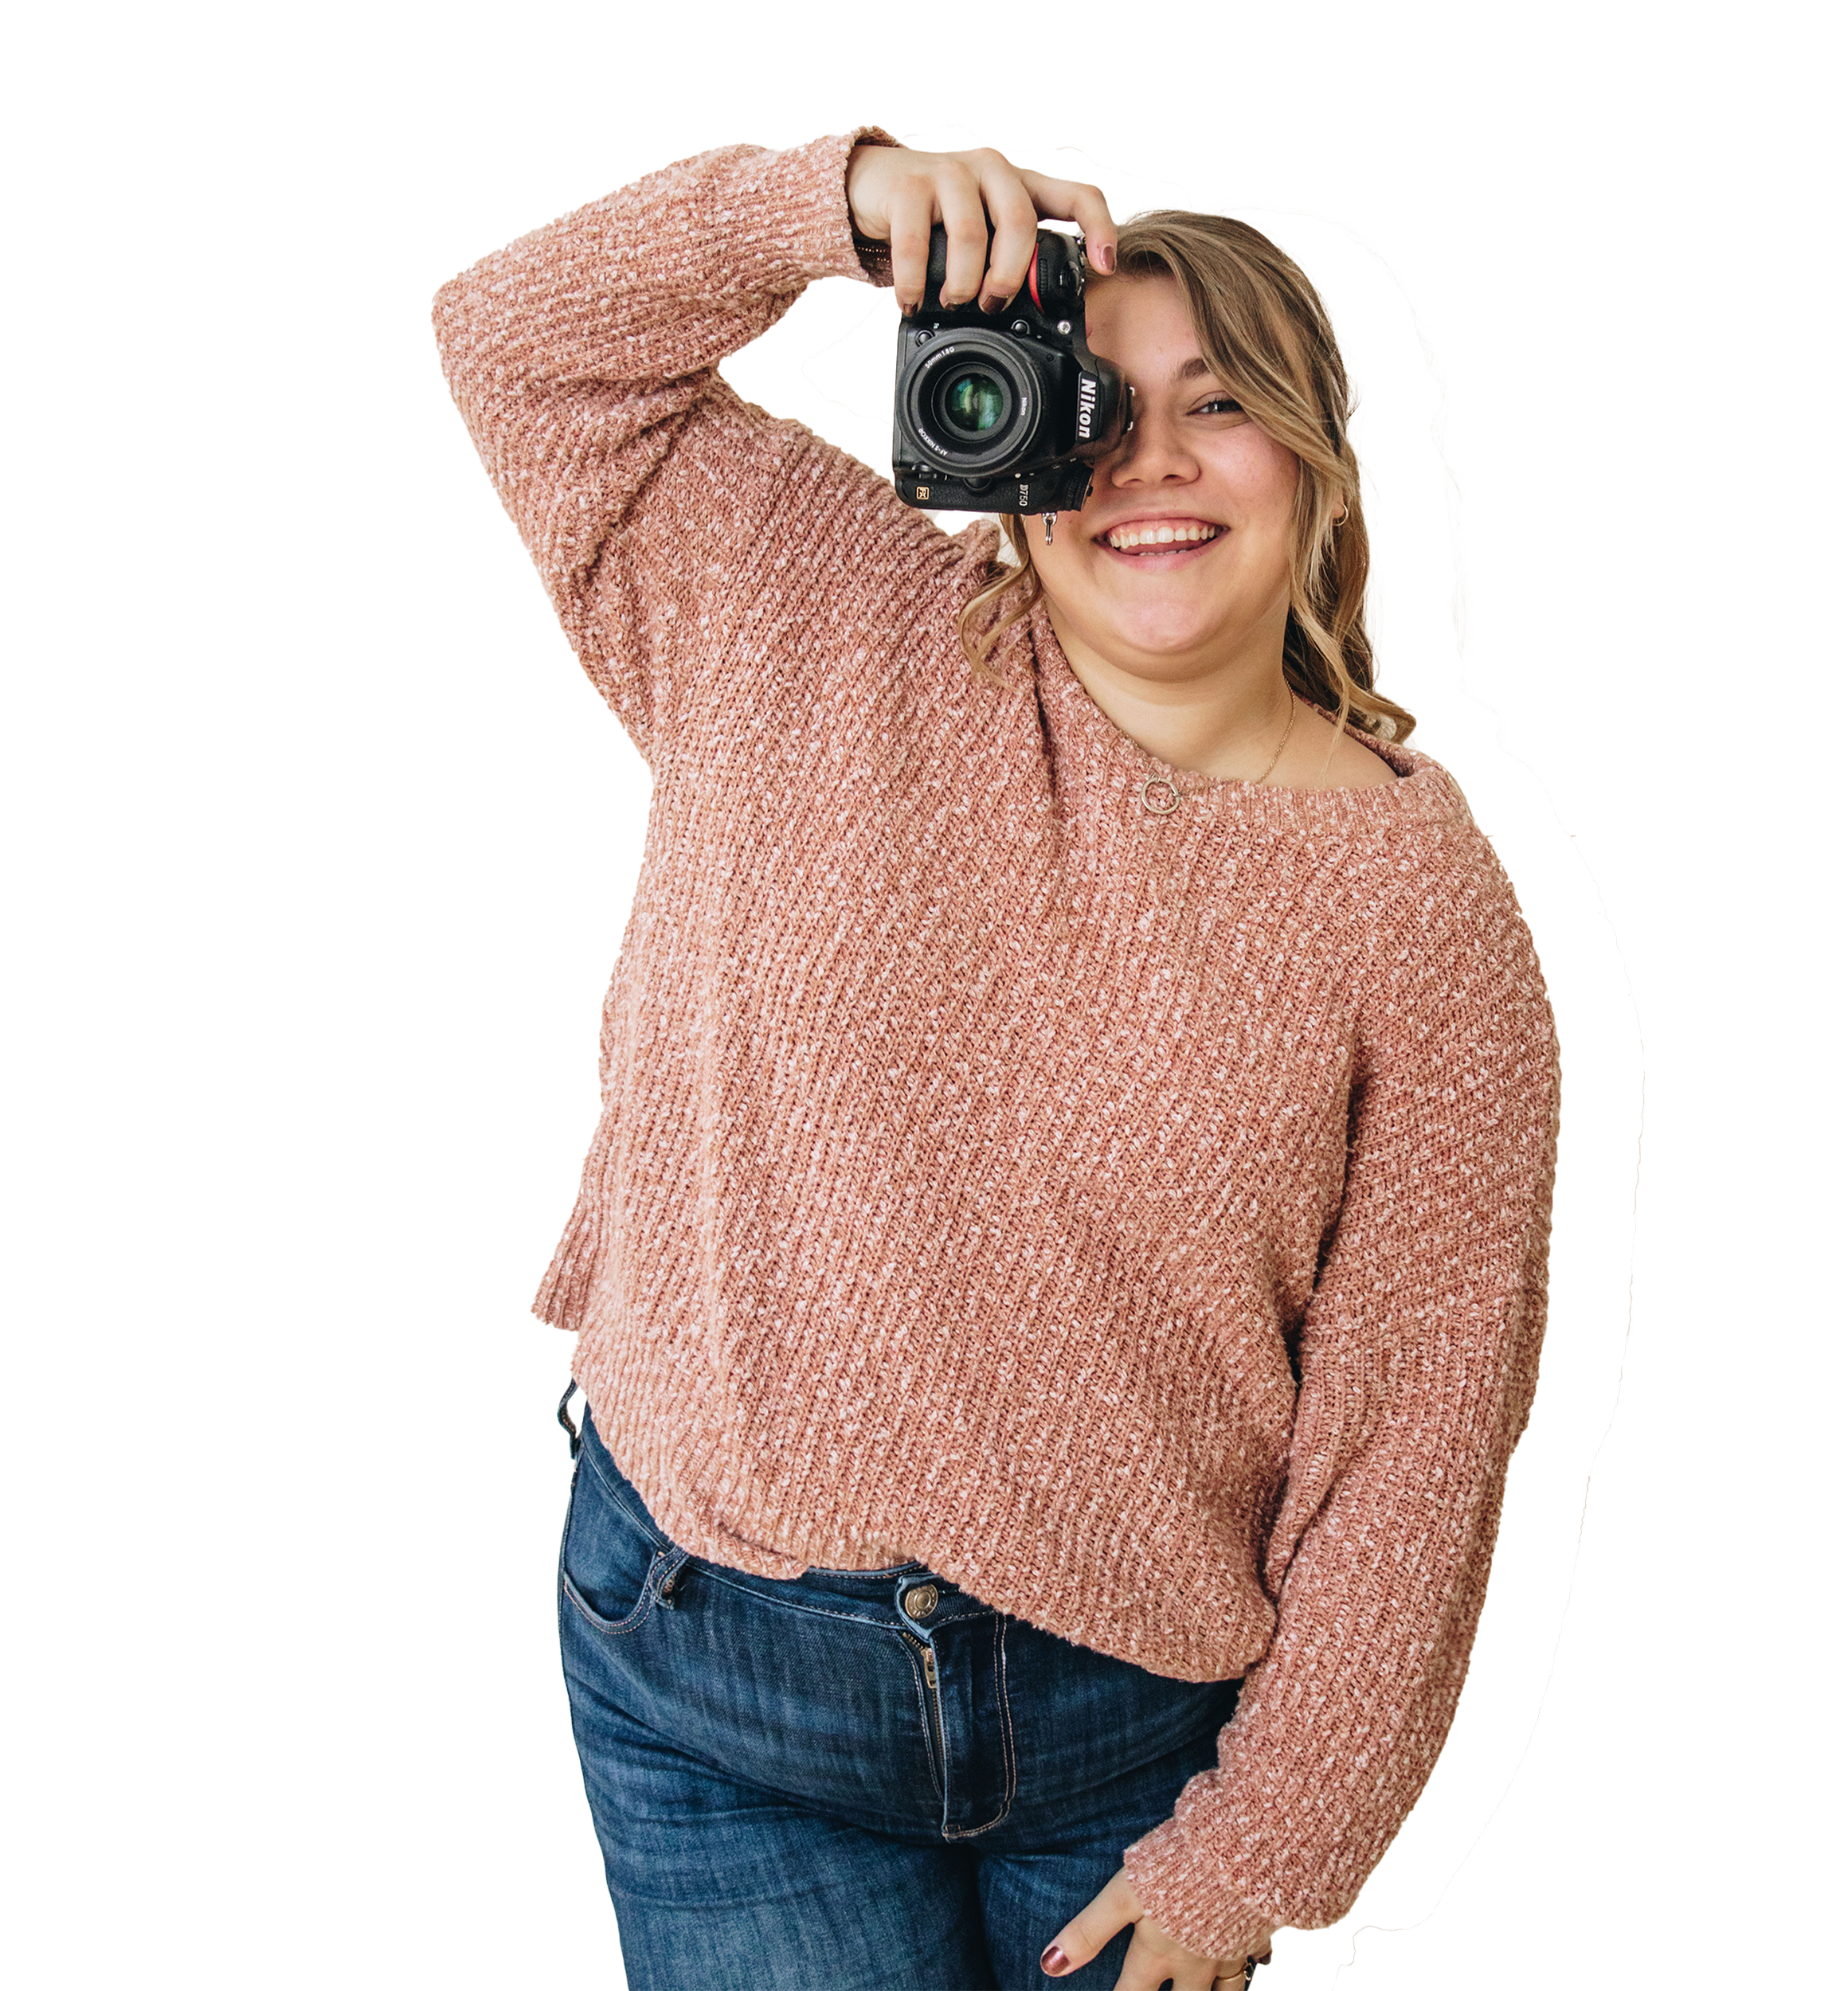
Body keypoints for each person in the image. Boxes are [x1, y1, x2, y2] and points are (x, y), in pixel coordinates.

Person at [430, 127, 1560, 1991]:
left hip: (1141, 1747)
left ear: (1319, 474)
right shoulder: (803, 606)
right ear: (1009, 427)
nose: (1147, 460)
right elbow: (516, 337)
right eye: (1092, 396)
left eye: (1219, 404)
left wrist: (1261, 1852)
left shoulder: (1415, 901)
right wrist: (831, 206)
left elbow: (1420, 1432)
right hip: (715, 1685)